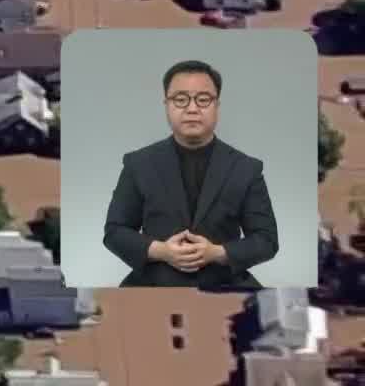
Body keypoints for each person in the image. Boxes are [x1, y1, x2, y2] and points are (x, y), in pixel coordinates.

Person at [101, 59, 278, 289]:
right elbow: (115, 232)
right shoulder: (138, 164)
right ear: (167, 104)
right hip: (153, 284)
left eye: (203, 100)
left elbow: (266, 240)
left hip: (225, 284)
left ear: (217, 105)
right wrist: (162, 251)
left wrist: (217, 252)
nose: (192, 109)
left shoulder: (246, 168)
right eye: (181, 99)